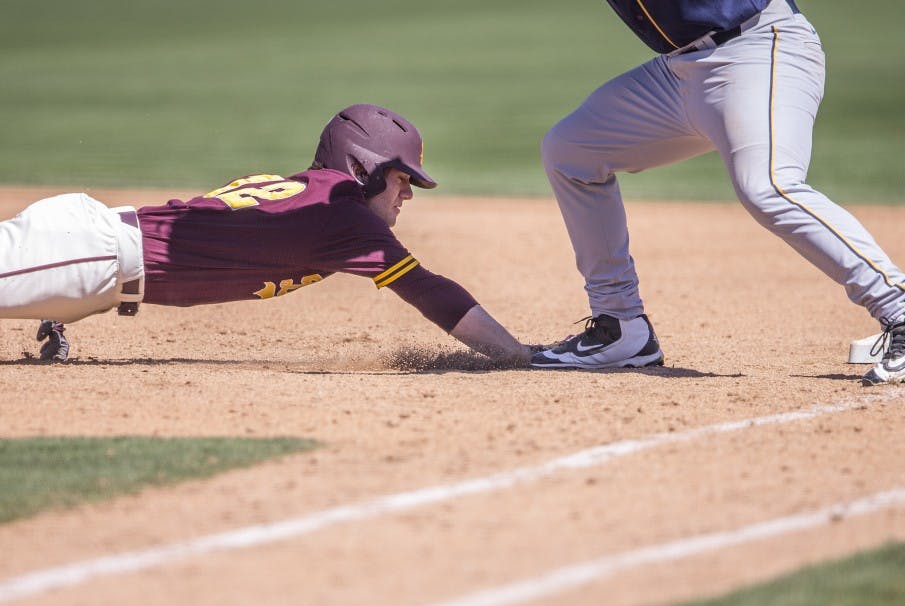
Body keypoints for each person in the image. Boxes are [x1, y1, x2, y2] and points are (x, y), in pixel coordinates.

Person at [530, 0, 905, 385]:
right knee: (571, 151)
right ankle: (622, 327)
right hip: (676, 73)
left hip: (759, 49)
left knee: (769, 186)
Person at [1, 104, 532, 365]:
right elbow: (429, 291)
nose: (408, 193)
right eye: (401, 178)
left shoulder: (312, 194)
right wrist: (520, 356)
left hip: (88, 257)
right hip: (85, 256)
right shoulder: (342, 217)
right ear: (364, 167)